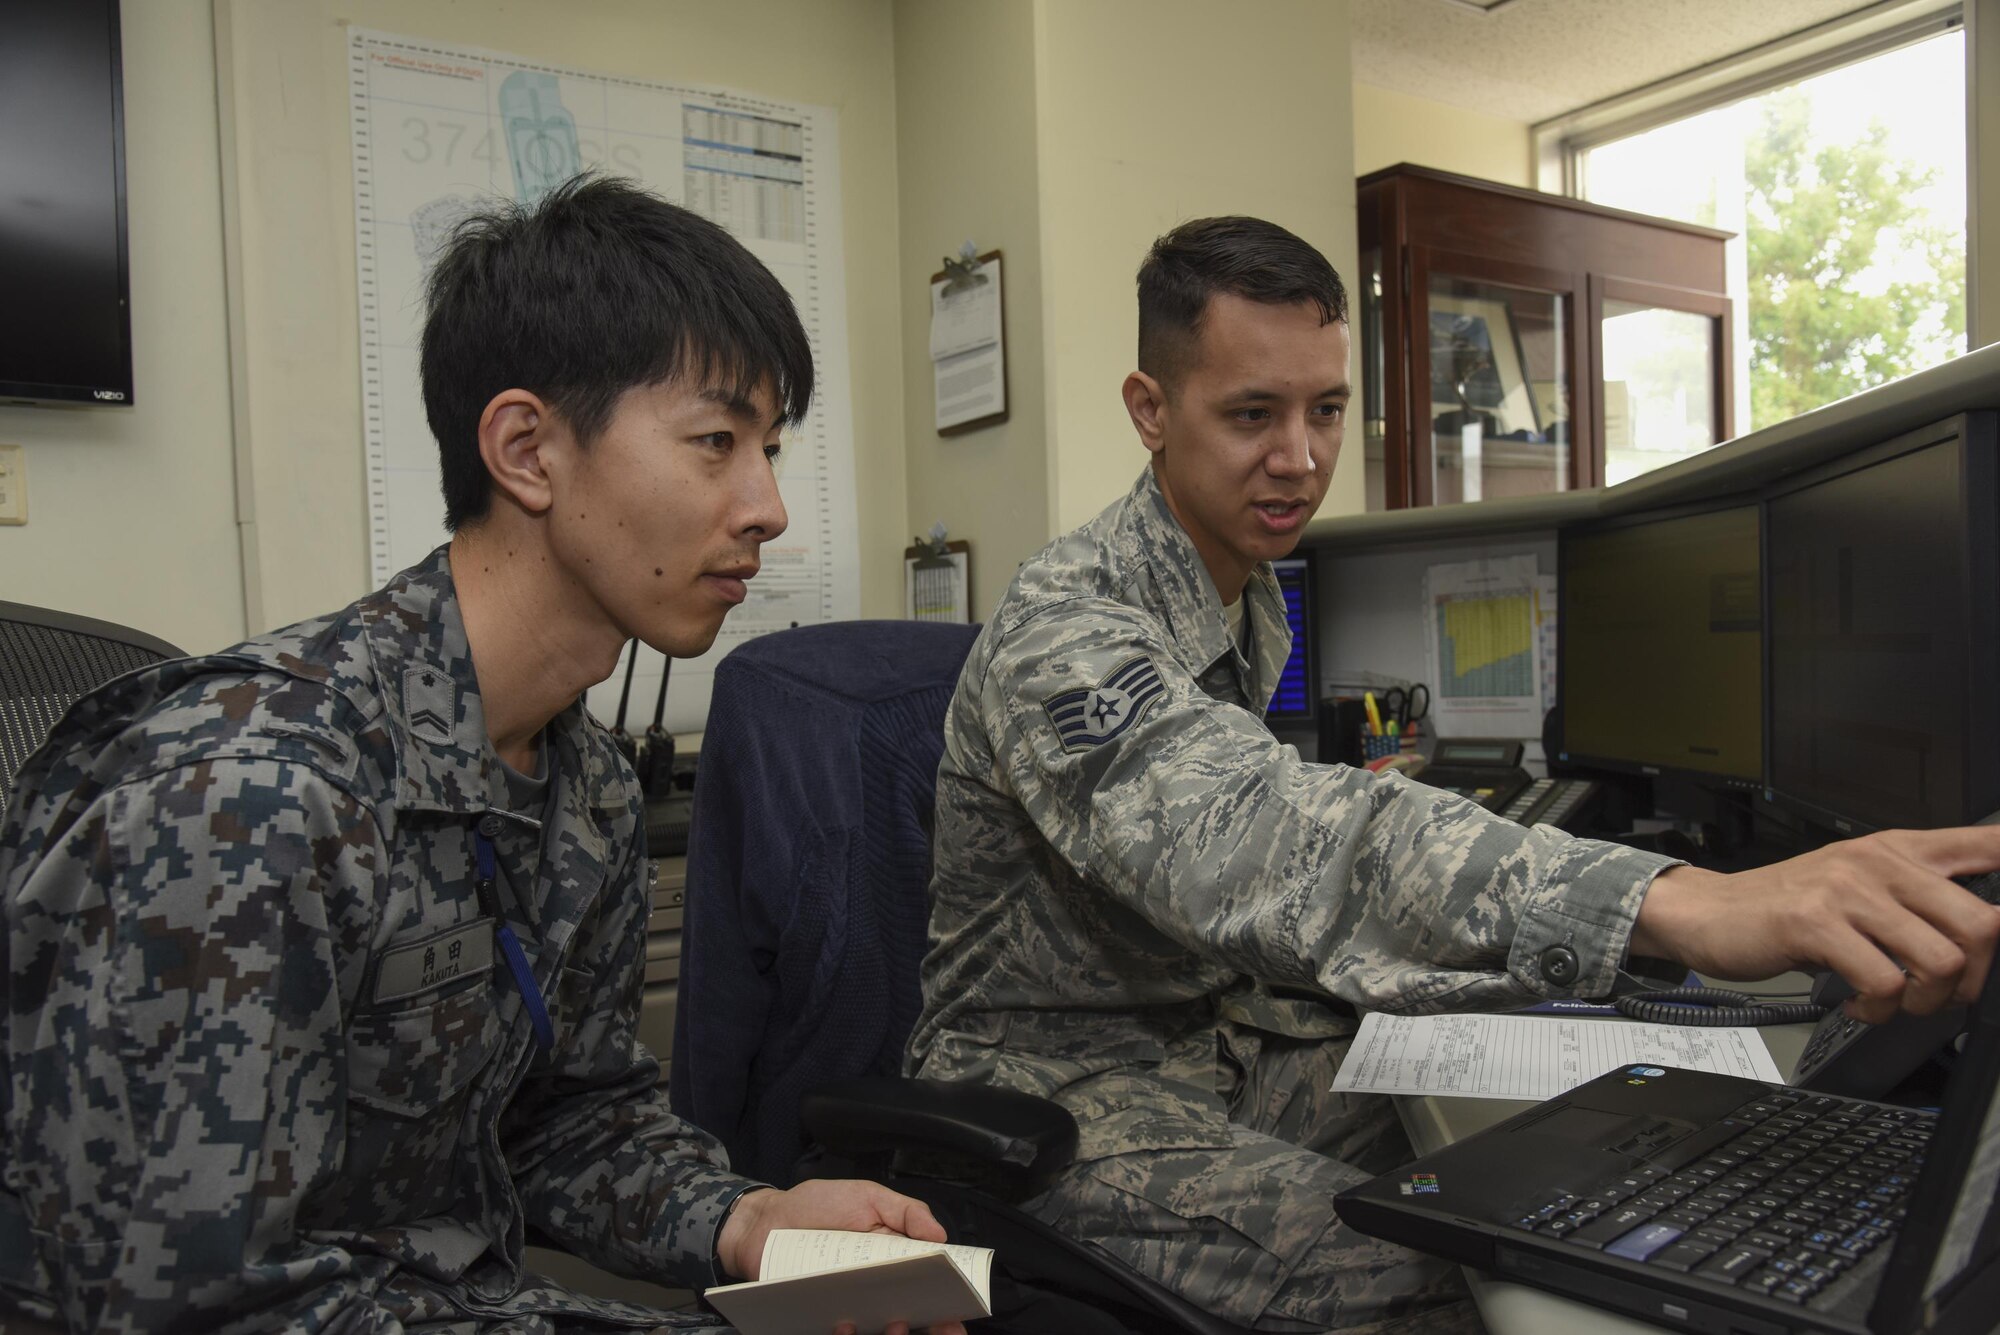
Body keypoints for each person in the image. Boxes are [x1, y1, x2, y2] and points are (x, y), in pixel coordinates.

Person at [904, 214, 2000, 1333]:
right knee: (1457, 1269)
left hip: (1218, 1038)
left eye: (1324, 409)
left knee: (1590, 1139)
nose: (1299, 458)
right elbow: (1257, 835)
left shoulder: (1237, 585)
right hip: (1058, 1089)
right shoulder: (1066, 630)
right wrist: (1680, 903)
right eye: (1250, 415)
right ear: (1149, 410)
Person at [0, 177, 964, 1335]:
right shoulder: (250, 797)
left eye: (769, 448)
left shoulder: (584, 785)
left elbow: (560, 1118)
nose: (766, 506)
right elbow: (194, 1306)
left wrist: (745, 1223)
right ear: (525, 450)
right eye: (716, 443)